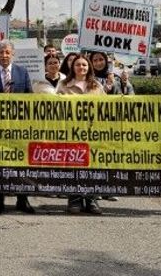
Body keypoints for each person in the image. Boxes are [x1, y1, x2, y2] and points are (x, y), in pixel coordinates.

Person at [0, 40, 35, 215]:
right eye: (1, 52)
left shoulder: (22, 72)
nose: (4, 55)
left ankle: (22, 199)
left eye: (7, 52)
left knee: (21, 165)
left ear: (13, 54)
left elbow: (30, 99)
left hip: (18, 129)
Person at [56, 54, 104, 214]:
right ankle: (74, 199)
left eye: (84, 65)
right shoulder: (63, 85)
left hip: (92, 133)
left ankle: (91, 199)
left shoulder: (96, 86)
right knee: (72, 166)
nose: (81, 67)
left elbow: (106, 108)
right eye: (78, 65)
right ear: (72, 67)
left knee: (92, 166)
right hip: (71, 133)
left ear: (88, 67)